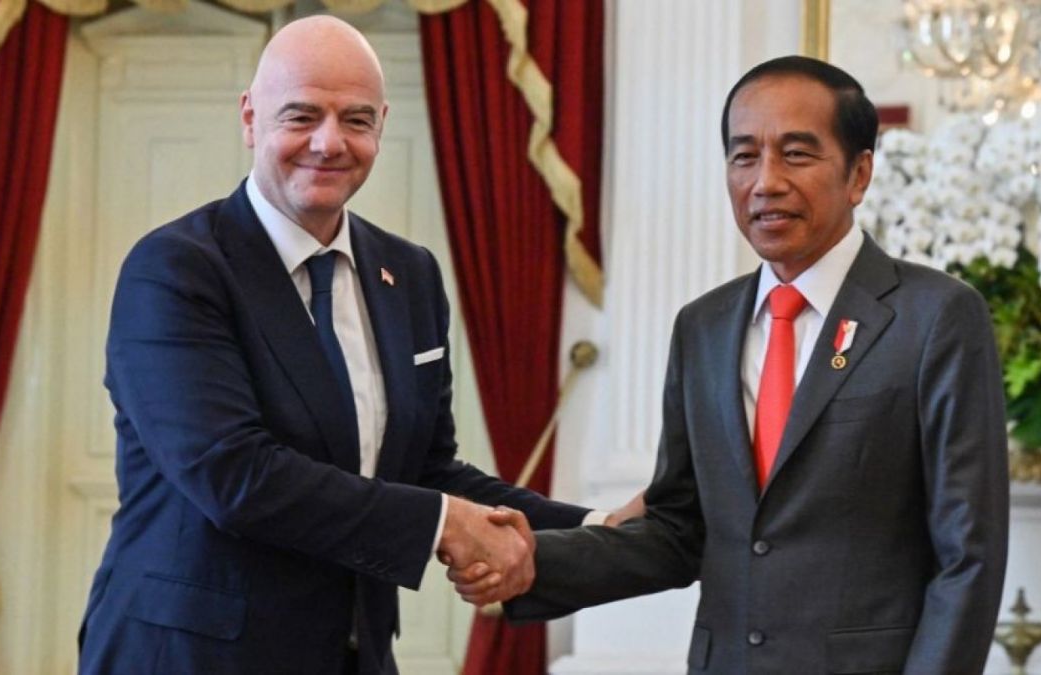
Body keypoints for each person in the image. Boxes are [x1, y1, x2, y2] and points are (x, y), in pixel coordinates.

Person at [76, 16, 633, 674]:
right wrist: (443, 523)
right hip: (189, 654)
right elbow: (236, 474)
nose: (329, 142)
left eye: (356, 120)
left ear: (381, 125)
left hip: (354, 651)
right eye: (302, 115)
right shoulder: (175, 268)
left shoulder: (410, 273)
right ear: (251, 118)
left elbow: (425, 468)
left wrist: (599, 528)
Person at [462, 56, 1010, 673]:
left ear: (859, 174)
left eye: (796, 154)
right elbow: (679, 528)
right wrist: (536, 559)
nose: (766, 181)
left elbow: (970, 556)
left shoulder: (935, 317)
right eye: (744, 156)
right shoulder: (703, 327)